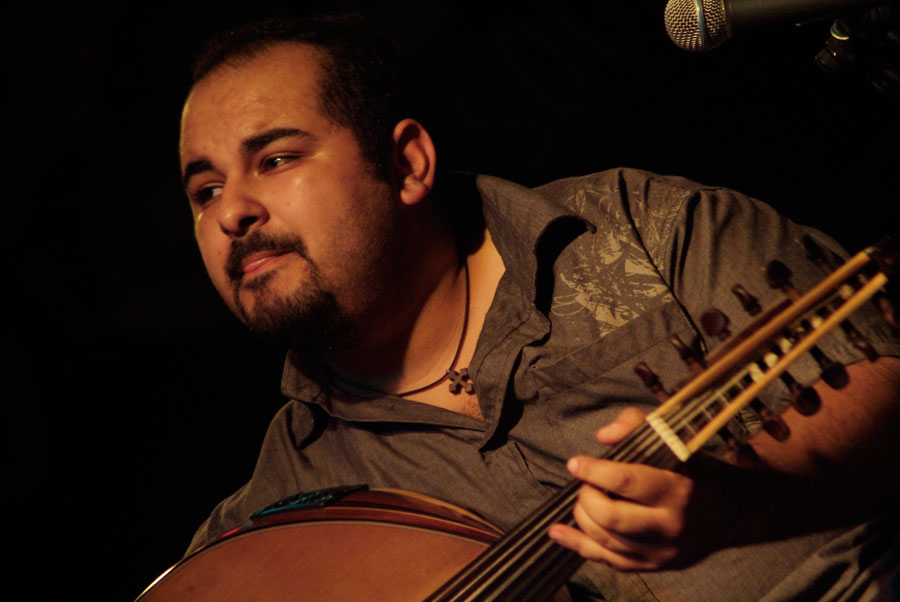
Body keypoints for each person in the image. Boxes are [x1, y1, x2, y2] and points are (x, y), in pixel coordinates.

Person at [176, 14, 900, 601]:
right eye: (204, 191)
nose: (232, 211)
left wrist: (740, 503)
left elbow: (883, 372)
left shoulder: (639, 228)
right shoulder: (273, 521)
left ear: (406, 165)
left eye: (276, 159)